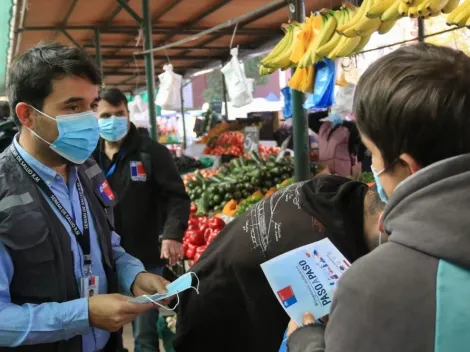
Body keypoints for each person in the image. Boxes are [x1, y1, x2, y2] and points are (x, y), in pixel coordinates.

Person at [286, 43, 470, 352]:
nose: (372, 168)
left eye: (372, 153)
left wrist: (307, 341)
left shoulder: (376, 286)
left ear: (408, 167)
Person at [0, 42, 170, 352]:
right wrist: (84, 314)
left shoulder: (87, 169)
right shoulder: (4, 193)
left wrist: (134, 275)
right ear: (27, 115)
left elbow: (109, 245)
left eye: (92, 106)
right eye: (73, 107)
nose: (90, 120)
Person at [173, 175, 385, 352]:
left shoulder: (337, 192)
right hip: (218, 316)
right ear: (384, 222)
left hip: (210, 279)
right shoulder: (323, 250)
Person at [93, 87, 190, 352]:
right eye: (105, 115)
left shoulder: (151, 152)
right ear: (95, 116)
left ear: (127, 113)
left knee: (144, 333)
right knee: (102, 331)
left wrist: (172, 234)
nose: (113, 121)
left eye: (119, 114)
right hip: (101, 259)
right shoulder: (88, 156)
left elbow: (177, 197)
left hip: (144, 258)